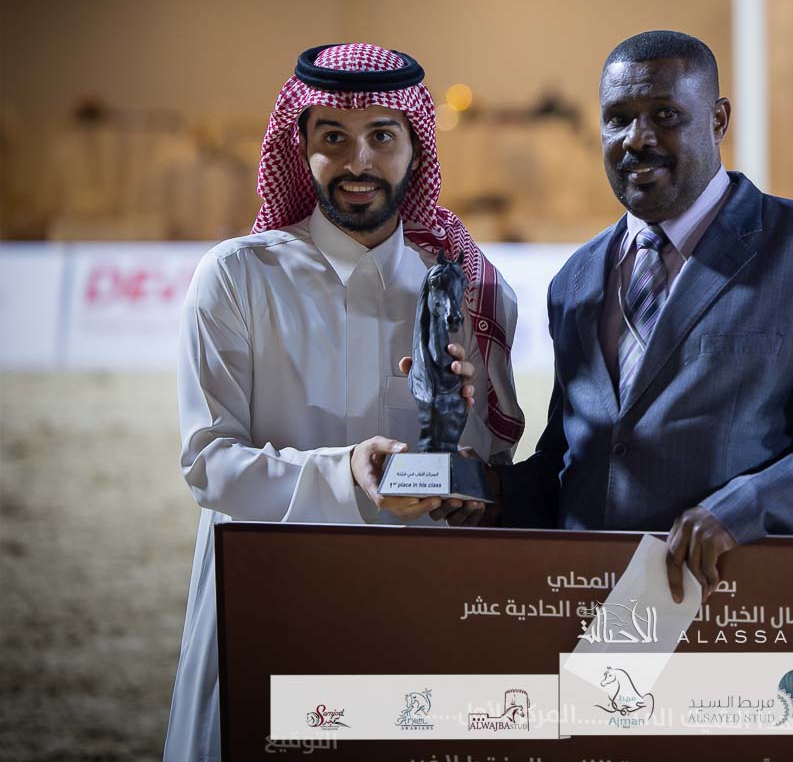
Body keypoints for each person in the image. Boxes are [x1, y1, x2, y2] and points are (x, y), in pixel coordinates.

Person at [163, 43, 525, 761]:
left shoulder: (469, 292)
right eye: (333, 137)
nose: (359, 162)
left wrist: (466, 456)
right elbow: (208, 465)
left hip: (416, 608)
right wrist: (345, 475)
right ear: (300, 148)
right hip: (268, 596)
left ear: (416, 150)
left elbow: (487, 478)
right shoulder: (238, 278)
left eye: (382, 137)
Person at [481, 29, 793, 598]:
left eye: (665, 115)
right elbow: (576, 459)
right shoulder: (575, 280)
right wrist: (484, 491)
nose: (636, 138)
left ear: (719, 120)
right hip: (595, 607)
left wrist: (749, 509)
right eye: (618, 119)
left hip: (752, 604)